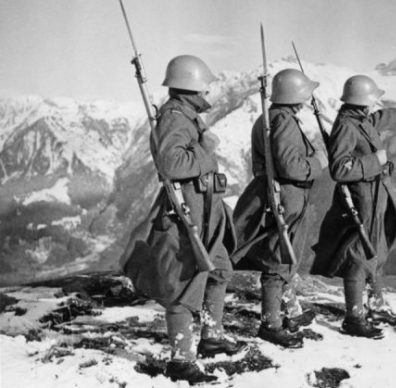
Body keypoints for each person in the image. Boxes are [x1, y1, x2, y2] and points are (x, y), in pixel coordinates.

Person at [121, 55, 242, 384]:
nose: (209, 90)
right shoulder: (175, 117)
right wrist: (206, 150)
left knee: (219, 269)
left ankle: (212, 335)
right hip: (188, 212)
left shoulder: (185, 114)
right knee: (184, 285)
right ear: (194, 85)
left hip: (205, 208)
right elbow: (172, 163)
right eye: (206, 85)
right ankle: (180, 360)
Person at [312, 74, 396, 339]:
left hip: (375, 193)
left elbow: (388, 117)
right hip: (363, 196)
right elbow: (339, 169)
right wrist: (375, 160)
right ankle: (354, 317)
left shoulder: (360, 120)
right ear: (362, 102)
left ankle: (376, 306)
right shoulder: (347, 127)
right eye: (371, 100)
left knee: (376, 250)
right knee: (361, 254)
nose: (373, 105)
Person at [231, 68, 328, 349]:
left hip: (279, 196)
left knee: (283, 256)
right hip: (286, 197)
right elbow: (291, 166)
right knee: (279, 259)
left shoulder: (270, 117)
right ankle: (271, 325)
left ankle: (289, 314)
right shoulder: (283, 121)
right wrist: (318, 162)